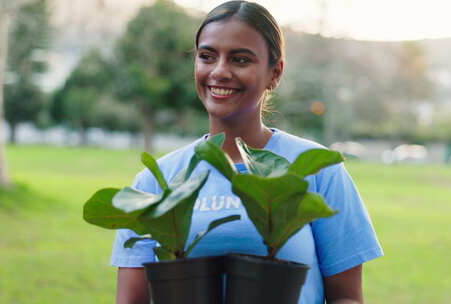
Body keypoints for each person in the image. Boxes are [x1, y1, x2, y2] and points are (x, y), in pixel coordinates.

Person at [111, 1, 383, 303]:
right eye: (207, 56)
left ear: (275, 73)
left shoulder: (319, 170)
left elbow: (347, 298)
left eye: (240, 60)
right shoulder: (155, 181)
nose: (220, 71)